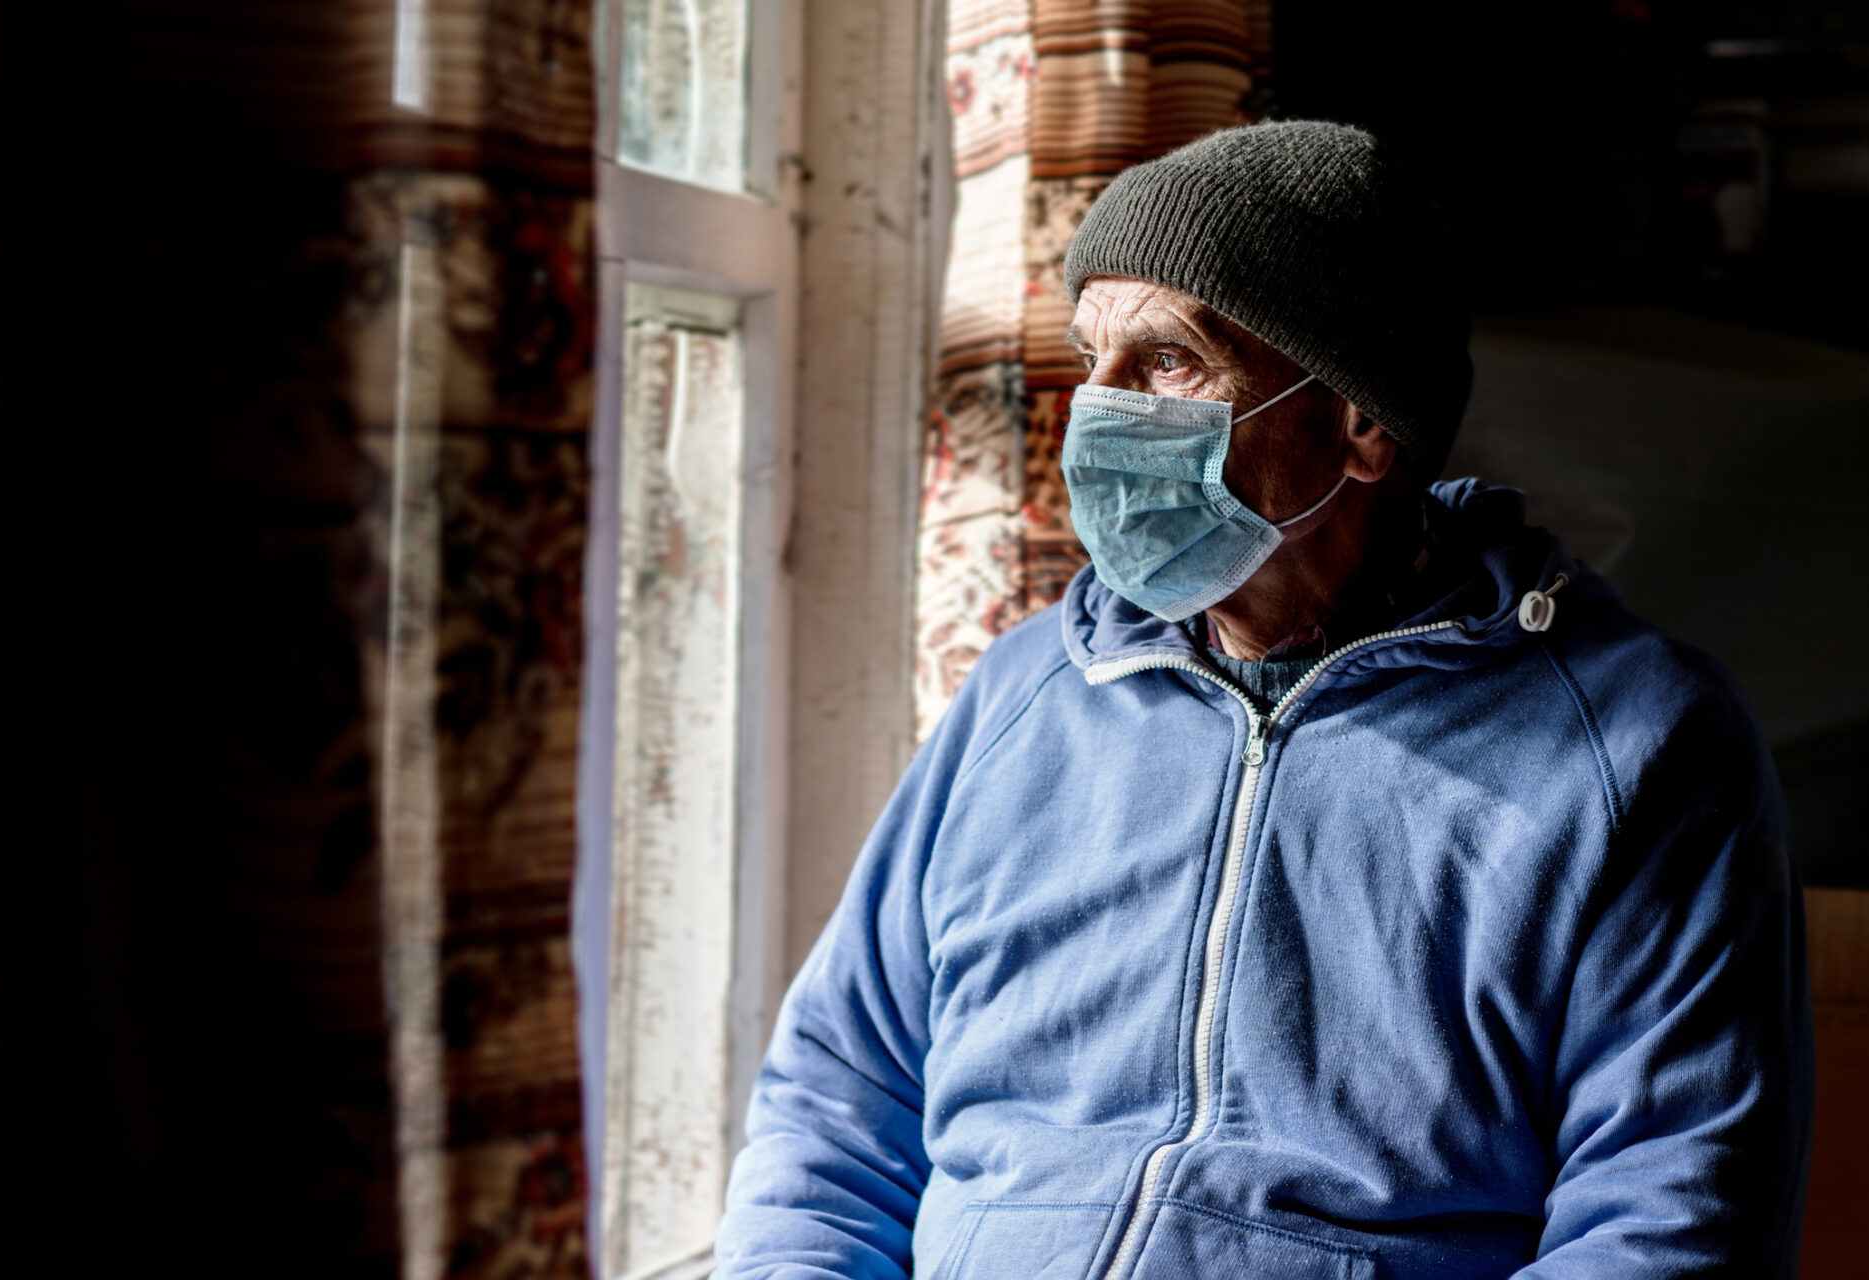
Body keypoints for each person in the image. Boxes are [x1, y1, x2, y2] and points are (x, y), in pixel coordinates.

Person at [715, 121, 1813, 1279]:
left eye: (1170, 363)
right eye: (1089, 360)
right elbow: (838, 1097)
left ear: (1362, 422)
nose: (1097, 413)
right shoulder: (1029, 689)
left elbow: (1672, 1225)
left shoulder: (1639, 748)